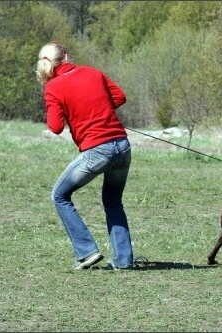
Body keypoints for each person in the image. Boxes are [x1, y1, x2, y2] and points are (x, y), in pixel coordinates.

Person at [35, 41, 139, 270]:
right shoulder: (93, 72)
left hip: (98, 150)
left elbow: (54, 127)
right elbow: (120, 97)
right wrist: (98, 108)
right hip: (122, 146)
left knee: (59, 196)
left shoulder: (53, 87)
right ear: (66, 56)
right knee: (113, 202)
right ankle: (123, 261)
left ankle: (87, 251)